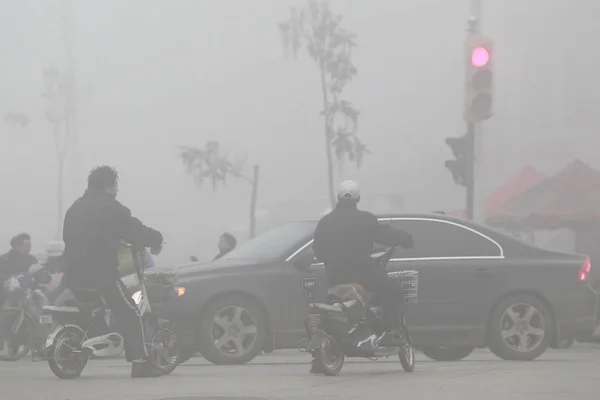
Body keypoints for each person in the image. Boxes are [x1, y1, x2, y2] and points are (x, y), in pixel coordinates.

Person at [62, 165, 164, 378]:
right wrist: (156, 238)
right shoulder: (112, 208)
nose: (117, 190)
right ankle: (140, 363)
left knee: (94, 311)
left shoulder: (74, 208)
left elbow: (68, 238)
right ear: (109, 185)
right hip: (101, 273)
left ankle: (85, 343)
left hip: (72, 272)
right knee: (130, 311)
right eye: (116, 186)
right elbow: (134, 230)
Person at [313, 181, 413, 354]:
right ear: (358, 198)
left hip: (334, 276)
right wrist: (406, 239)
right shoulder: (365, 219)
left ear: (338, 197)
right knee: (393, 289)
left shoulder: (325, 222)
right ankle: (391, 332)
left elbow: (318, 251)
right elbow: (386, 235)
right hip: (362, 273)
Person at [0, 234, 38, 306]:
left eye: (30, 246)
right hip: (8, 294)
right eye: (26, 246)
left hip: (30, 293)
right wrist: (13, 278)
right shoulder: (4, 259)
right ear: (17, 246)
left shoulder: (32, 259)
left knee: (45, 307)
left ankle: (47, 317)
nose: (29, 249)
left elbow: (39, 273)